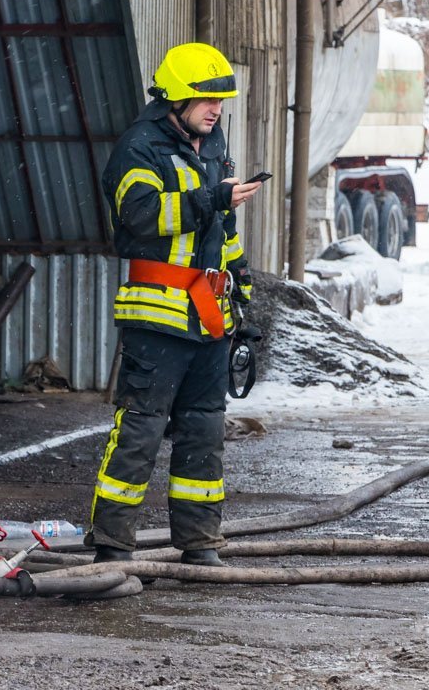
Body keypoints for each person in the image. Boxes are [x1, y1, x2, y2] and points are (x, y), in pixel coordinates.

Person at [87, 42, 263, 568]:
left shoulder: (212, 142)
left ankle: (199, 542)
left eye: (221, 101)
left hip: (210, 313)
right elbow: (140, 217)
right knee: (140, 429)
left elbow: (222, 230)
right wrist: (210, 198)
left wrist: (241, 295)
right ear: (176, 99)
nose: (217, 109)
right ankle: (113, 546)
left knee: (204, 429)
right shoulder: (138, 149)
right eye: (207, 99)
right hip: (156, 317)